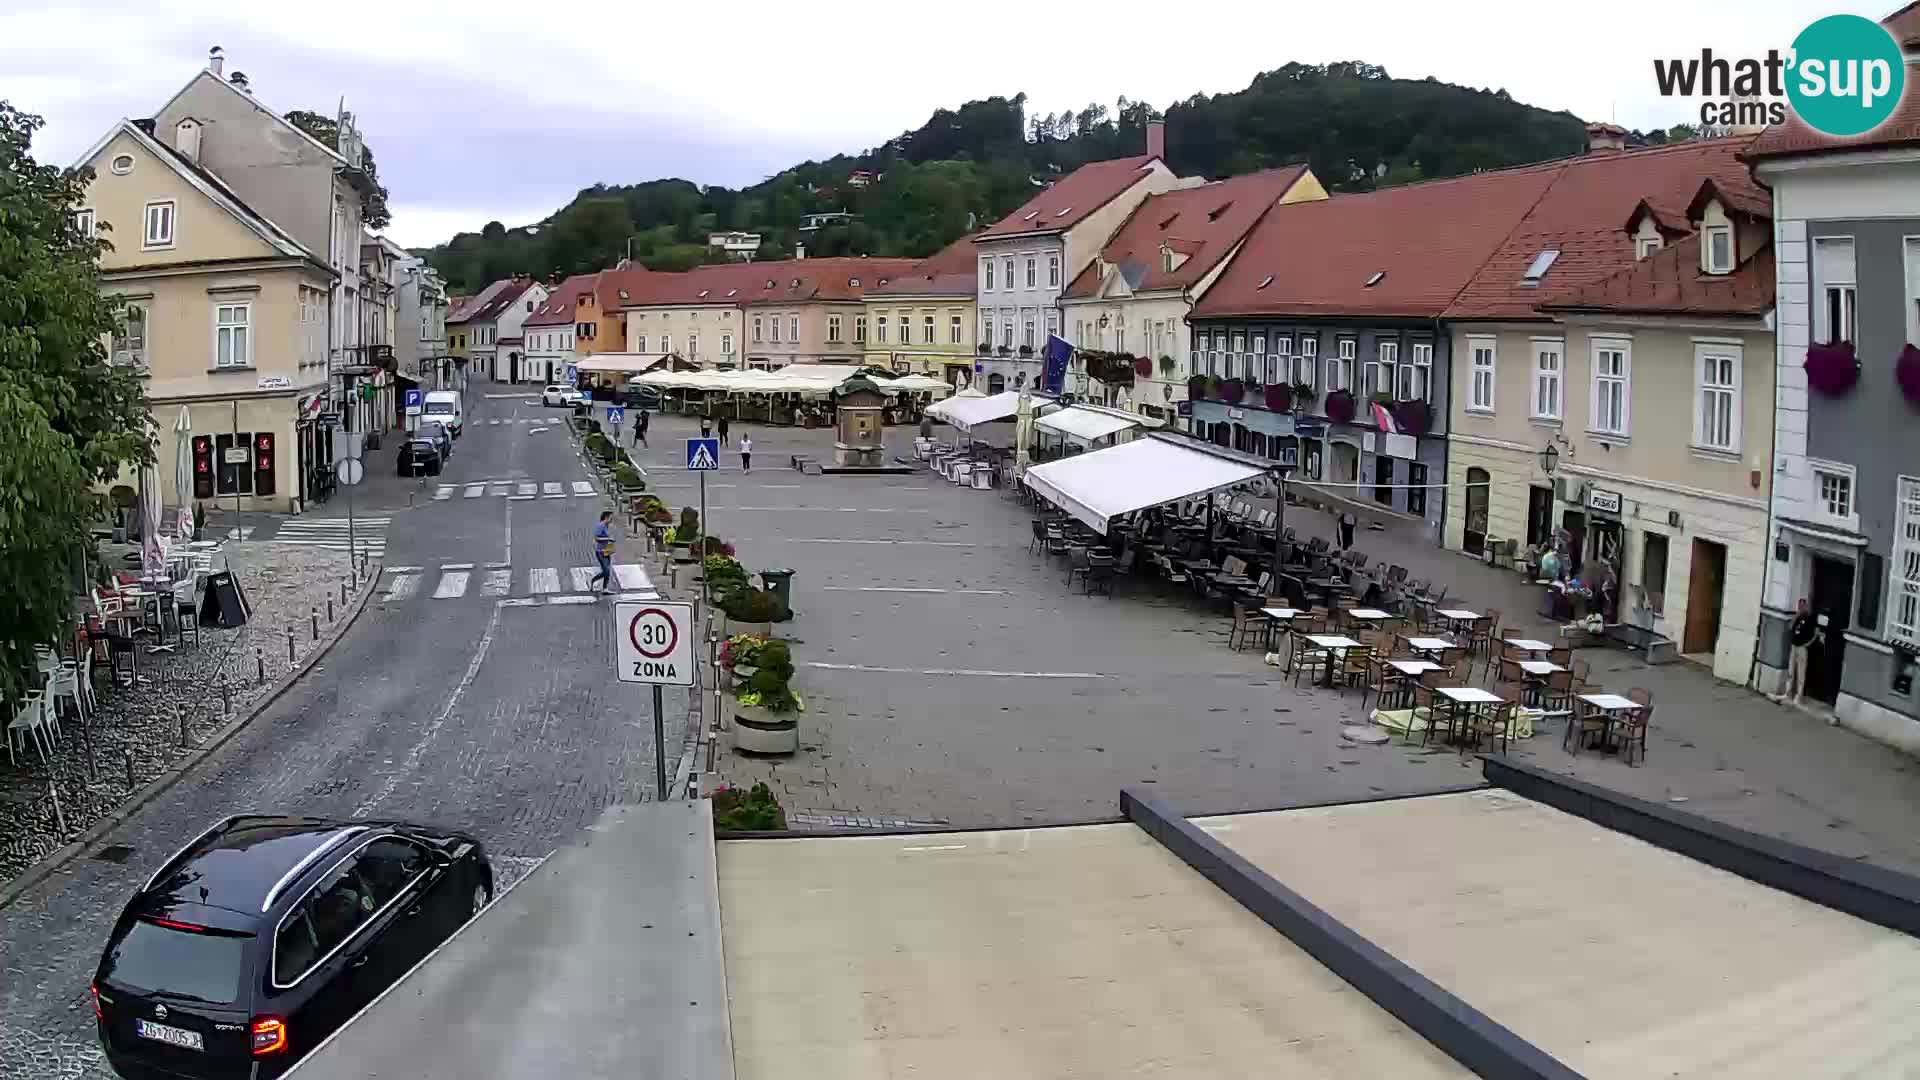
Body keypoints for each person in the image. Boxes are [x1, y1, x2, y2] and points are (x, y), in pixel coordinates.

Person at [1787, 598, 1819, 707]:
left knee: (1801, 672)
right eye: (1799, 606)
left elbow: (1816, 633)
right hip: (1794, 645)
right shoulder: (1797, 616)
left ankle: (1798, 695)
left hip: (1802, 647)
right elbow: (1790, 627)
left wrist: (1808, 644)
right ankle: (1788, 692)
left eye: (1802, 606)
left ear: (1806, 606)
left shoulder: (1810, 618)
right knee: (1791, 670)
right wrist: (1796, 615)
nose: (1800, 608)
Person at [589, 510, 615, 594]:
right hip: (600, 551)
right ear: (606, 517)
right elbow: (597, 538)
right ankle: (593, 580)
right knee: (606, 570)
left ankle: (605, 588)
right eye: (611, 517)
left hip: (606, 550)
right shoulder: (601, 525)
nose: (612, 519)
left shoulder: (606, 525)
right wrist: (608, 539)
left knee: (608, 570)